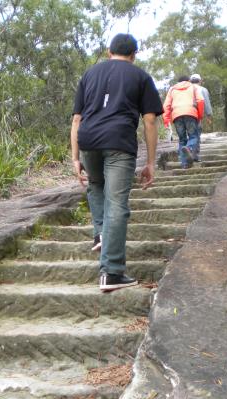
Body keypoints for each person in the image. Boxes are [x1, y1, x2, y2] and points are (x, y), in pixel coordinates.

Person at [71, 33, 163, 292]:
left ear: (109, 52)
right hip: (119, 143)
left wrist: (75, 158)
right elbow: (149, 121)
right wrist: (151, 162)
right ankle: (111, 272)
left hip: (88, 140)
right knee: (117, 204)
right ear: (134, 55)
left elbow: (76, 120)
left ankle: (101, 234)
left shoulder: (89, 74)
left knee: (96, 186)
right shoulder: (141, 76)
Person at [162, 75, 204, 169]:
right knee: (193, 136)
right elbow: (200, 100)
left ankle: (184, 164)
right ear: (189, 80)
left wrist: (166, 119)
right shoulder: (193, 87)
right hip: (191, 113)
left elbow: (166, 105)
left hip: (176, 115)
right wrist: (200, 115)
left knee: (182, 140)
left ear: (178, 82)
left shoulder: (172, 89)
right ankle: (189, 148)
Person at [190, 73, 212, 162]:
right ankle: (194, 155)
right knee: (196, 134)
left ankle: (185, 156)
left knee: (188, 135)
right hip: (196, 114)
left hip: (182, 114)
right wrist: (209, 115)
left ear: (190, 81)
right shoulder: (203, 89)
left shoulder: (186, 89)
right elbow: (206, 102)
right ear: (200, 81)